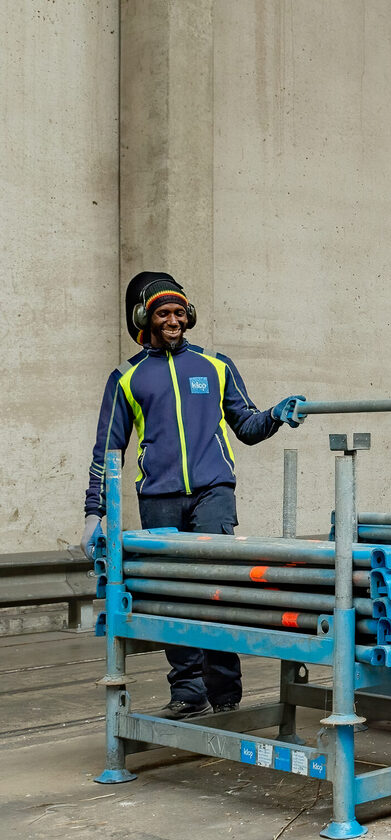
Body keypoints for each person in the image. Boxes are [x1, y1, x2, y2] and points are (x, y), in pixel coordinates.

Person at [82, 271, 305, 720]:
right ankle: (188, 691)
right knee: (174, 596)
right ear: (145, 318)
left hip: (213, 491)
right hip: (159, 497)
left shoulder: (215, 366)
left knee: (215, 589)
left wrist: (276, 415)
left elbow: (246, 426)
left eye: (180, 312)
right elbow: (108, 448)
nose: (173, 320)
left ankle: (225, 692)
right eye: (163, 313)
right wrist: (94, 513)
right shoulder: (126, 377)